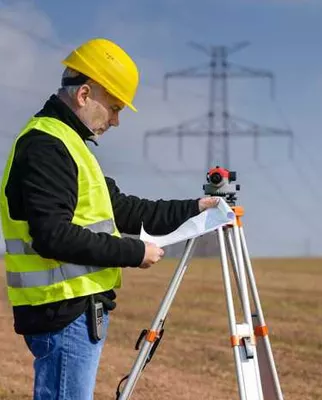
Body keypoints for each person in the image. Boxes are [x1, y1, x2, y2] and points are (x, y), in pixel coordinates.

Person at [0, 38, 221, 399]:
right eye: (115, 107)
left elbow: (129, 210)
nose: (117, 120)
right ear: (84, 95)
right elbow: (52, 235)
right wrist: (133, 253)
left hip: (73, 311)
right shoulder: (47, 146)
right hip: (63, 312)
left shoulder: (70, 146)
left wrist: (196, 207)